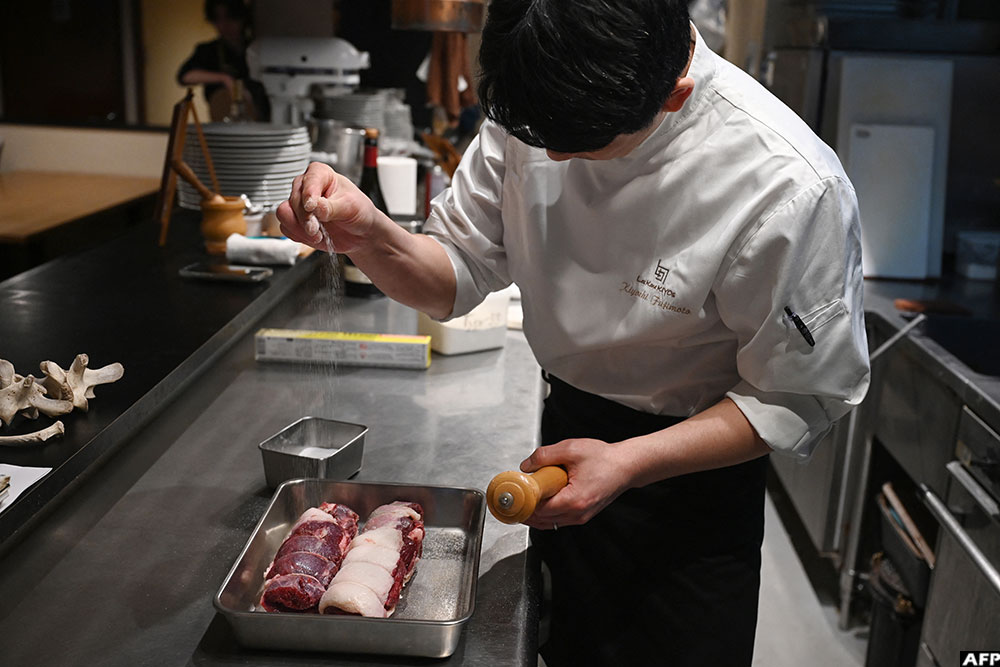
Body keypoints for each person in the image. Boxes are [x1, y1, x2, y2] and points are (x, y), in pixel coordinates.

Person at [277, 1, 871, 665]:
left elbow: (795, 395)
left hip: (690, 482)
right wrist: (370, 232)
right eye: (539, 138)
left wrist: (632, 461)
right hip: (561, 444)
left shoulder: (787, 185)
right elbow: (452, 277)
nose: (553, 155)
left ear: (674, 95)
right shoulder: (542, 94)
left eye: (581, 145)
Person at [177, 0, 270, 121]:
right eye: (217, 19)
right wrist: (224, 78)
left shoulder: (257, 49)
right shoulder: (208, 50)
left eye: (230, 18)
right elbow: (184, 76)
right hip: (223, 120)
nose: (223, 25)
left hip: (261, 119)